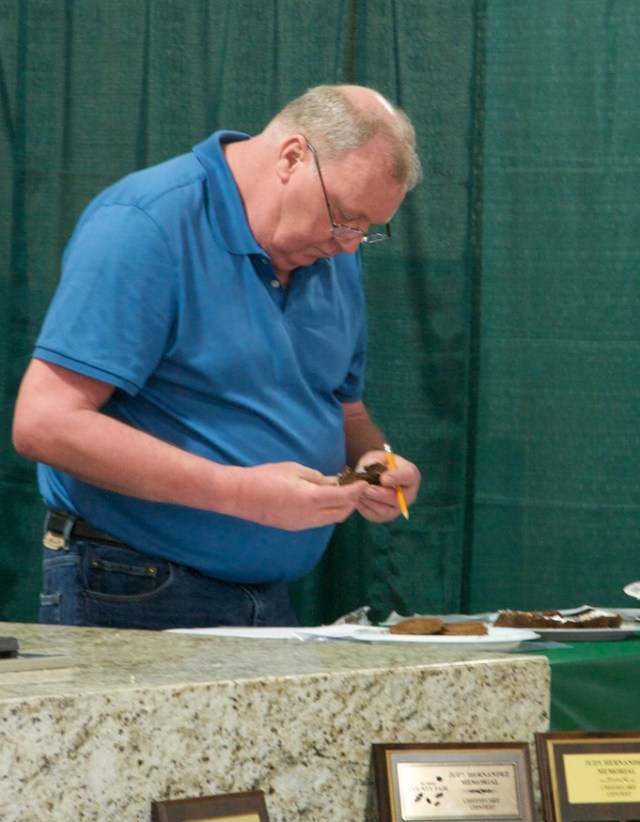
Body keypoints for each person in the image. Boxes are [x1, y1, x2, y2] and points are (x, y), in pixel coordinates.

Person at [12, 83, 422, 630]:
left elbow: (345, 408)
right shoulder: (145, 224)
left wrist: (376, 462)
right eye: (344, 217)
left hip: (268, 597)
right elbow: (45, 424)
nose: (349, 244)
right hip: (132, 585)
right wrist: (241, 494)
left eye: (368, 229)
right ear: (292, 156)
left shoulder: (330, 250)